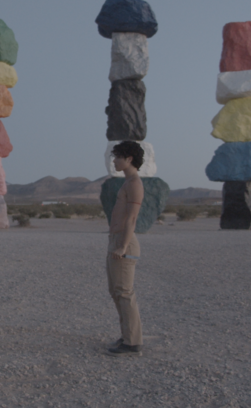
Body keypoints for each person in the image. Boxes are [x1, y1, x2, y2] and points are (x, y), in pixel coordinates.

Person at [106, 141, 144, 357]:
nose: (114, 160)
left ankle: (132, 342)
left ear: (129, 158)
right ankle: (127, 335)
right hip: (116, 240)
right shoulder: (128, 182)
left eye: (117, 156)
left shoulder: (135, 183)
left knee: (124, 292)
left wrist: (121, 246)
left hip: (124, 243)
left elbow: (131, 218)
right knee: (116, 291)